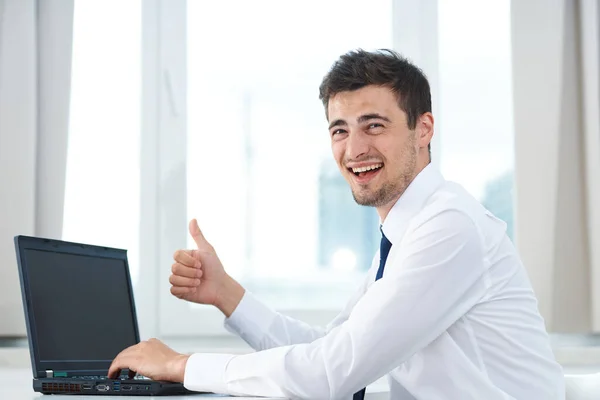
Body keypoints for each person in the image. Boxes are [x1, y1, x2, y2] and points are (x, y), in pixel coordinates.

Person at [108, 49, 565, 399]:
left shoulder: (449, 228)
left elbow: (332, 372)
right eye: (340, 129)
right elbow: (331, 348)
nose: (354, 149)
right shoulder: (407, 234)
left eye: (374, 125)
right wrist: (225, 293)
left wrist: (182, 366)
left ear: (423, 129)